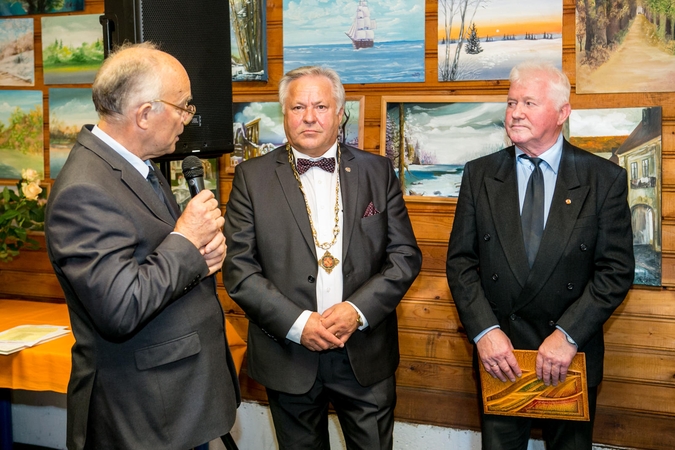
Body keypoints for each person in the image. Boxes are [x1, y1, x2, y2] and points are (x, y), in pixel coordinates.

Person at [44, 42, 240, 450]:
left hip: (175, 398)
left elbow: (150, 260)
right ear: (145, 114)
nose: (189, 118)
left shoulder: (139, 164)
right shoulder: (84, 190)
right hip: (144, 411)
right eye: (184, 106)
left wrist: (199, 261)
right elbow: (120, 306)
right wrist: (187, 241)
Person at [223, 66, 422, 450]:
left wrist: (357, 311)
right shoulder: (251, 178)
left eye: (320, 106)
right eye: (298, 107)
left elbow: (404, 256)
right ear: (284, 114)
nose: (309, 117)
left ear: (340, 113)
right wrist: (298, 324)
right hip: (289, 354)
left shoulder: (377, 171)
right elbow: (239, 271)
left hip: (365, 355)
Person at [446, 60, 634, 450]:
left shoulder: (603, 179)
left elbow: (615, 271)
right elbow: (461, 263)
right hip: (501, 356)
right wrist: (485, 331)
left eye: (528, 103)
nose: (515, 112)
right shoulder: (479, 174)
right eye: (512, 102)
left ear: (562, 113)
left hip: (570, 357)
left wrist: (567, 336)